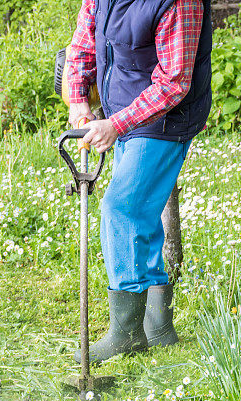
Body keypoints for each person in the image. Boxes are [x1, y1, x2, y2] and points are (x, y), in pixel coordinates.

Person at [66, 0, 212, 363]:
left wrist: (115, 126)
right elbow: (83, 45)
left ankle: (127, 334)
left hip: (165, 120)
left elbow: (174, 82)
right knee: (141, 214)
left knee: (123, 209)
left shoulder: (180, 2)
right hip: (123, 115)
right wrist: (77, 99)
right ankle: (157, 329)